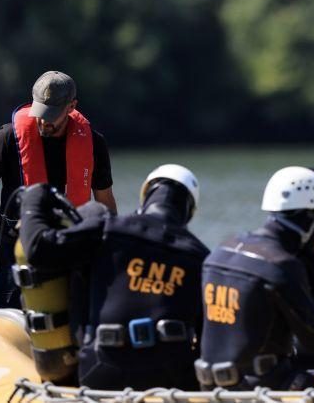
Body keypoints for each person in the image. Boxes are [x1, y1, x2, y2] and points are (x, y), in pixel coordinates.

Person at [18, 164, 208, 389]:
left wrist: (33, 201)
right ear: (189, 211)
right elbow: (208, 339)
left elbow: (39, 249)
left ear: (146, 195)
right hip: (173, 379)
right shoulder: (201, 257)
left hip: (101, 372)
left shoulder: (107, 228)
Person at [0, 70, 116, 309]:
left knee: (75, 312)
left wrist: (113, 248)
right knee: (6, 312)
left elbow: (104, 201)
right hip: (15, 246)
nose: (43, 121)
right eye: (40, 113)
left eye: (51, 115)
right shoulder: (9, 137)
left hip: (71, 242)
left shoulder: (93, 143)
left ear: (72, 106)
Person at [195, 166, 314, 391]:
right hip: (258, 391)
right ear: (312, 216)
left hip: (210, 387)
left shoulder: (222, 250)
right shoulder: (281, 265)